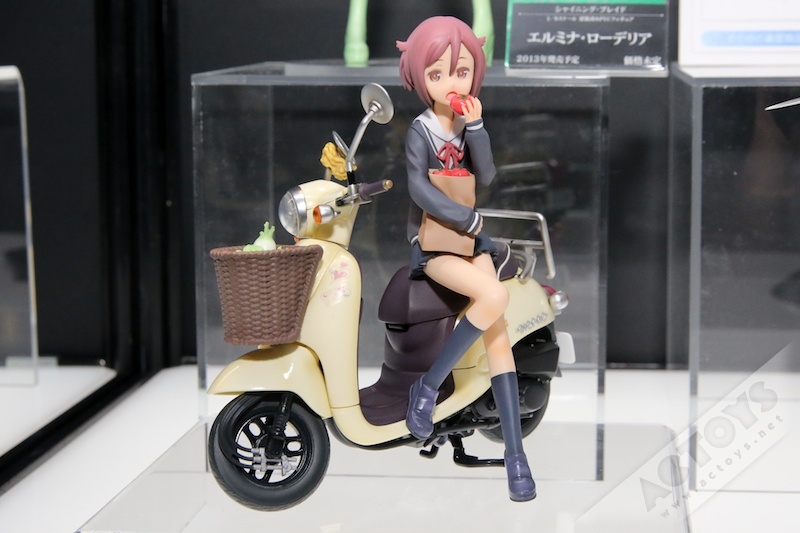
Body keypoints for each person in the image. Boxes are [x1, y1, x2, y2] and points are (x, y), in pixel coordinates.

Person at [397, 16, 536, 502]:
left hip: (470, 241)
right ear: (420, 78)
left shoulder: (465, 124)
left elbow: (489, 175)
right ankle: (428, 385)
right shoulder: (420, 130)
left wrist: (476, 128)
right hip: (435, 243)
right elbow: (418, 188)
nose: (450, 82)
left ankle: (516, 455)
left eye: (460, 71)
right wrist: (467, 219)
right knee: (493, 297)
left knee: (499, 340)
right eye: (436, 74)